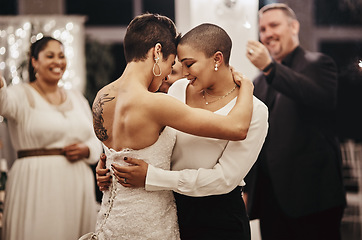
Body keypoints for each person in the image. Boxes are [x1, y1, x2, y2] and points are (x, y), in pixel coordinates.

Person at [83, 13, 257, 240]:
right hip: (151, 223)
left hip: (112, 221)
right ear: (157, 52)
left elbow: (112, 154)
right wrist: (248, 88)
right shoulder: (157, 104)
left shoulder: (101, 97)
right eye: (171, 62)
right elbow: (236, 128)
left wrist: (104, 171)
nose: (169, 74)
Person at [243, 3, 346, 240]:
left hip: (313, 198)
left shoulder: (318, 63)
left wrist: (270, 68)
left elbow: (319, 97)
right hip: (271, 201)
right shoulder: (259, 82)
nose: (267, 33)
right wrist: (248, 187)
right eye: (263, 29)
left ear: (294, 26)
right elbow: (256, 136)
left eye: (274, 25)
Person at [0, 37, 103, 240]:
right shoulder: (19, 94)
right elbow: (2, 102)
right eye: (50, 56)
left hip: (77, 186)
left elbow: (96, 138)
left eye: (61, 56)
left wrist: (87, 150)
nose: (57, 61)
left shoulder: (76, 97)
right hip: (35, 184)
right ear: (34, 61)